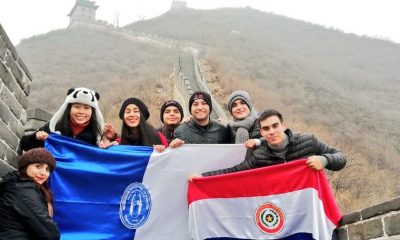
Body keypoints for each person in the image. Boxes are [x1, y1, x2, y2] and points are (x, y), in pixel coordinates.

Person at [202, 109, 346, 176]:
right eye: (266, 128)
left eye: (275, 126)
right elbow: (233, 172)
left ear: (284, 125)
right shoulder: (259, 156)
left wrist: (324, 160)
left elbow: (341, 157)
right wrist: (202, 177)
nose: (271, 131)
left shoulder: (309, 142)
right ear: (262, 132)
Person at [0, 148, 60, 240]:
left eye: (47, 169)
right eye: (38, 166)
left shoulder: (23, 186)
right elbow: (51, 234)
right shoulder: (23, 190)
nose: (43, 173)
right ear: (25, 166)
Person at [20, 87, 104, 151]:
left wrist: (107, 145)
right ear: (69, 109)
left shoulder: (98, 132)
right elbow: (25, 144)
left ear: (92, 112)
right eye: (77, 107)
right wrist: (36, 138)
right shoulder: (54, 126)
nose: (81, 112)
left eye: (86, 108)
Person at [101, 98, 168, 151]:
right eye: (127, 112)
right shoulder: (117, 144)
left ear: (142, 116)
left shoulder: (159, 138)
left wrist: (163, 152)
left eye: (136, 111)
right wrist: (106, 140)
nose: (132, 115)